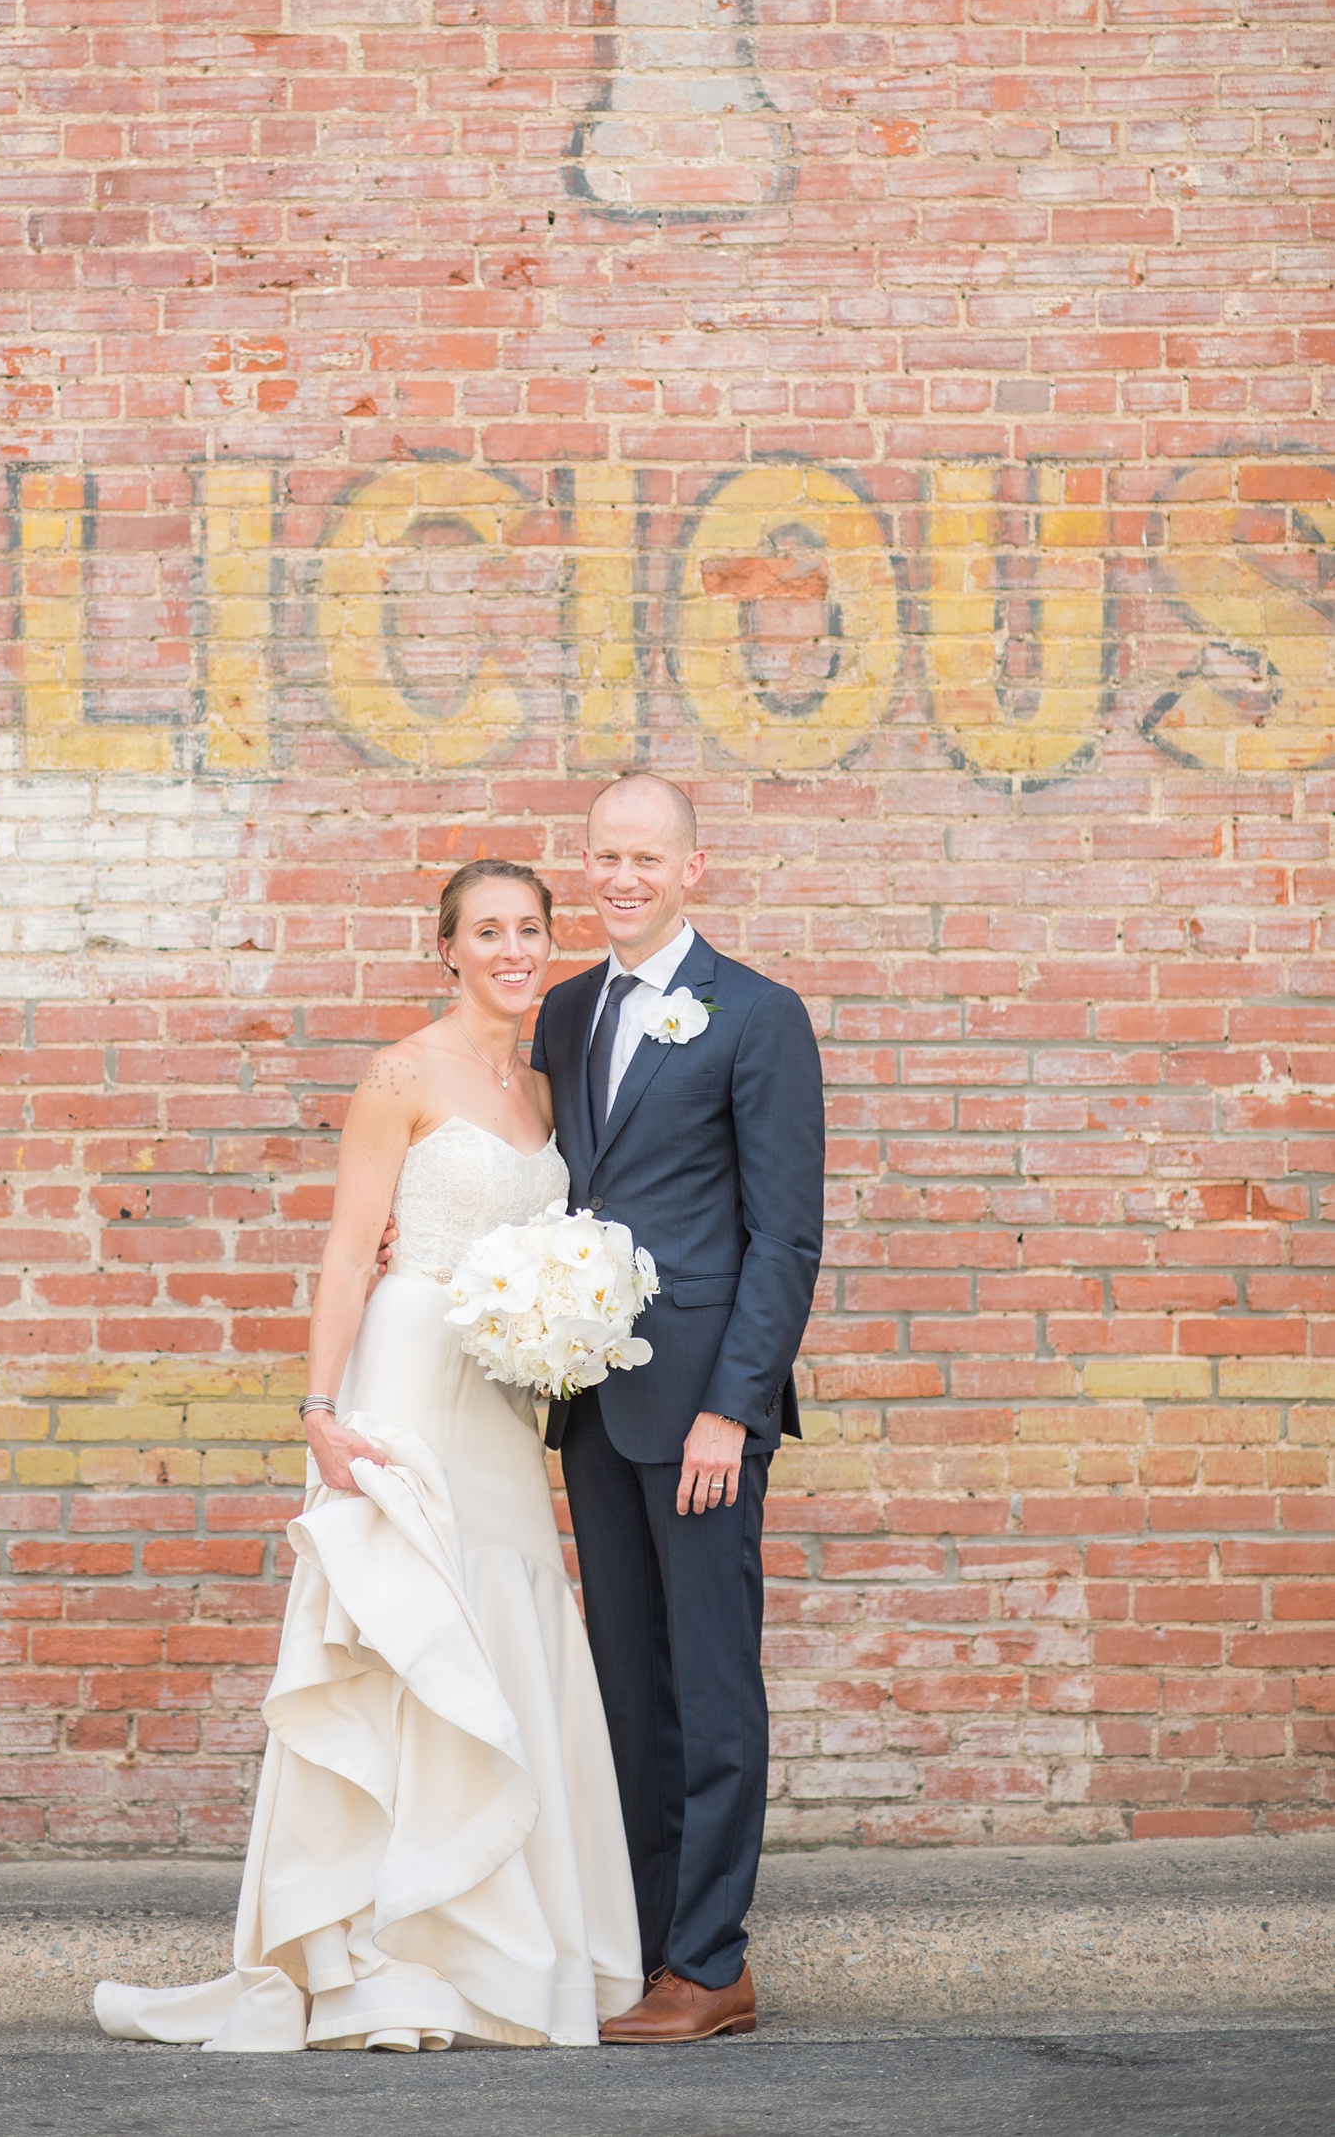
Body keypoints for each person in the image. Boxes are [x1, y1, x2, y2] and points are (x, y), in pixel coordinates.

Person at [93, 860, 641, 2053]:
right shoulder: (398, 1075)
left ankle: (490, 1945)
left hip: (500, 1392)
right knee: (399, 1628)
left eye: (529, 929)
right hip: (402, 1372)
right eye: (485, 931)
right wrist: (319, 1409)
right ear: (443, 948)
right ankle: (370, 1950)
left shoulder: (550, 1092)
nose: (511, 949)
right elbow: (348, 1253)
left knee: (499, 1619)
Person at [531, 774, 825, 2044]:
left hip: (701, 1409)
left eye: (646, 857)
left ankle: (713, 1964)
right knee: (623, 1691)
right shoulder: (560, 1011)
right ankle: (647, 1950)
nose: (622, 877)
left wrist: (731, 1410)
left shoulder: (755, 1016)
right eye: (604, 855)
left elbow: (784, 1236)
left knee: (709, 1685)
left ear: (692, 869)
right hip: (591, 1404)